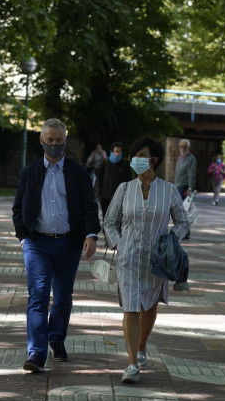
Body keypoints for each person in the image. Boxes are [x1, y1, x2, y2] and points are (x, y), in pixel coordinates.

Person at [12, 118, 100, 373]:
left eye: (59, 141)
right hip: (37, 244)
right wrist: (23, 237)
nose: (54, 145)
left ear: (65, 141)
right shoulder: (29, 172)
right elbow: (18, 208)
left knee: (62, 298)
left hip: (68, 245)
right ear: (41, 141)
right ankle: (36, 353)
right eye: (49, 141)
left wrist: (91, 234)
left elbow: (89, 208)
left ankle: (56, 339)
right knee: (38, 297)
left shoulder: (77, 173)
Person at [103, 136, 190, 384]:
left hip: (157, 260)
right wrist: (119, 243)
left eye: (143, 155)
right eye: (135, 155)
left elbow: (183, 222)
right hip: (128, 257)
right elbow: (110, 222)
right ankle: (131, 363)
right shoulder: (124, 189)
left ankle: (141, 347)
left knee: (148, 306)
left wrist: (170, 242)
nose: (137, 160)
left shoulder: (169, 190)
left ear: (154, 160)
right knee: (130, 307)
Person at [95, 141, 131, 220]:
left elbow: (129, 180)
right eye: (116, 151)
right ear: (112, 152)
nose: (118, 154)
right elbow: (99, 179)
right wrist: (99, 193)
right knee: (106, 218)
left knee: (119, 219)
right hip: (105, 197)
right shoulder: (105, 163)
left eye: (120, 152)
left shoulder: (125, 164)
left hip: (120, 197)